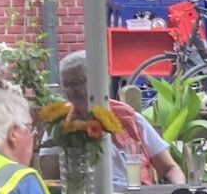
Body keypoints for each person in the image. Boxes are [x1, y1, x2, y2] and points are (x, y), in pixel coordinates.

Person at [56, 53, 184, 186]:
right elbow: (51, 179)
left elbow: (169, 168)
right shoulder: (59, 125)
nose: (71, 91)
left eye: (76, 83)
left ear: (97, 81)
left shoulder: (131, 119)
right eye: (66, 85)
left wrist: (180, 189)